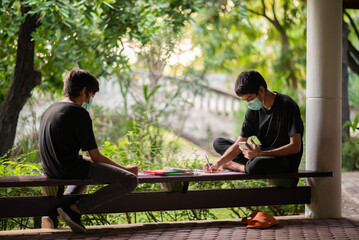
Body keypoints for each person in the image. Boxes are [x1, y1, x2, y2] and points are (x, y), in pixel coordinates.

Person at [39, 69, 139, 233]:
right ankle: (75, 210)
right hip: (68, 170)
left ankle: (55, 214)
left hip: (51, 169)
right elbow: (96, 155)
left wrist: (88, 161)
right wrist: (126, 169)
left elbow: (65, 153)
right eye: (91, 95)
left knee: (84, 175)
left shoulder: (50, 110)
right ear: (84, 90)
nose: (90, 100)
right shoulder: (78, 112)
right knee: (129, 181)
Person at [204, 70, 303, 175]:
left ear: (261, 90)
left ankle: (234, 166)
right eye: (245, 100)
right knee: (219, 143)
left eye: (249, 98)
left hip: (284, 159)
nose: (248, 103)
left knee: (257, 164)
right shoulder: (253, 110)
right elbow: (239, 144)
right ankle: (248, 164)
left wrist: (261, 154)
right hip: (262, 154)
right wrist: (217, 164)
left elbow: (295, 147)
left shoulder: (287, 105)